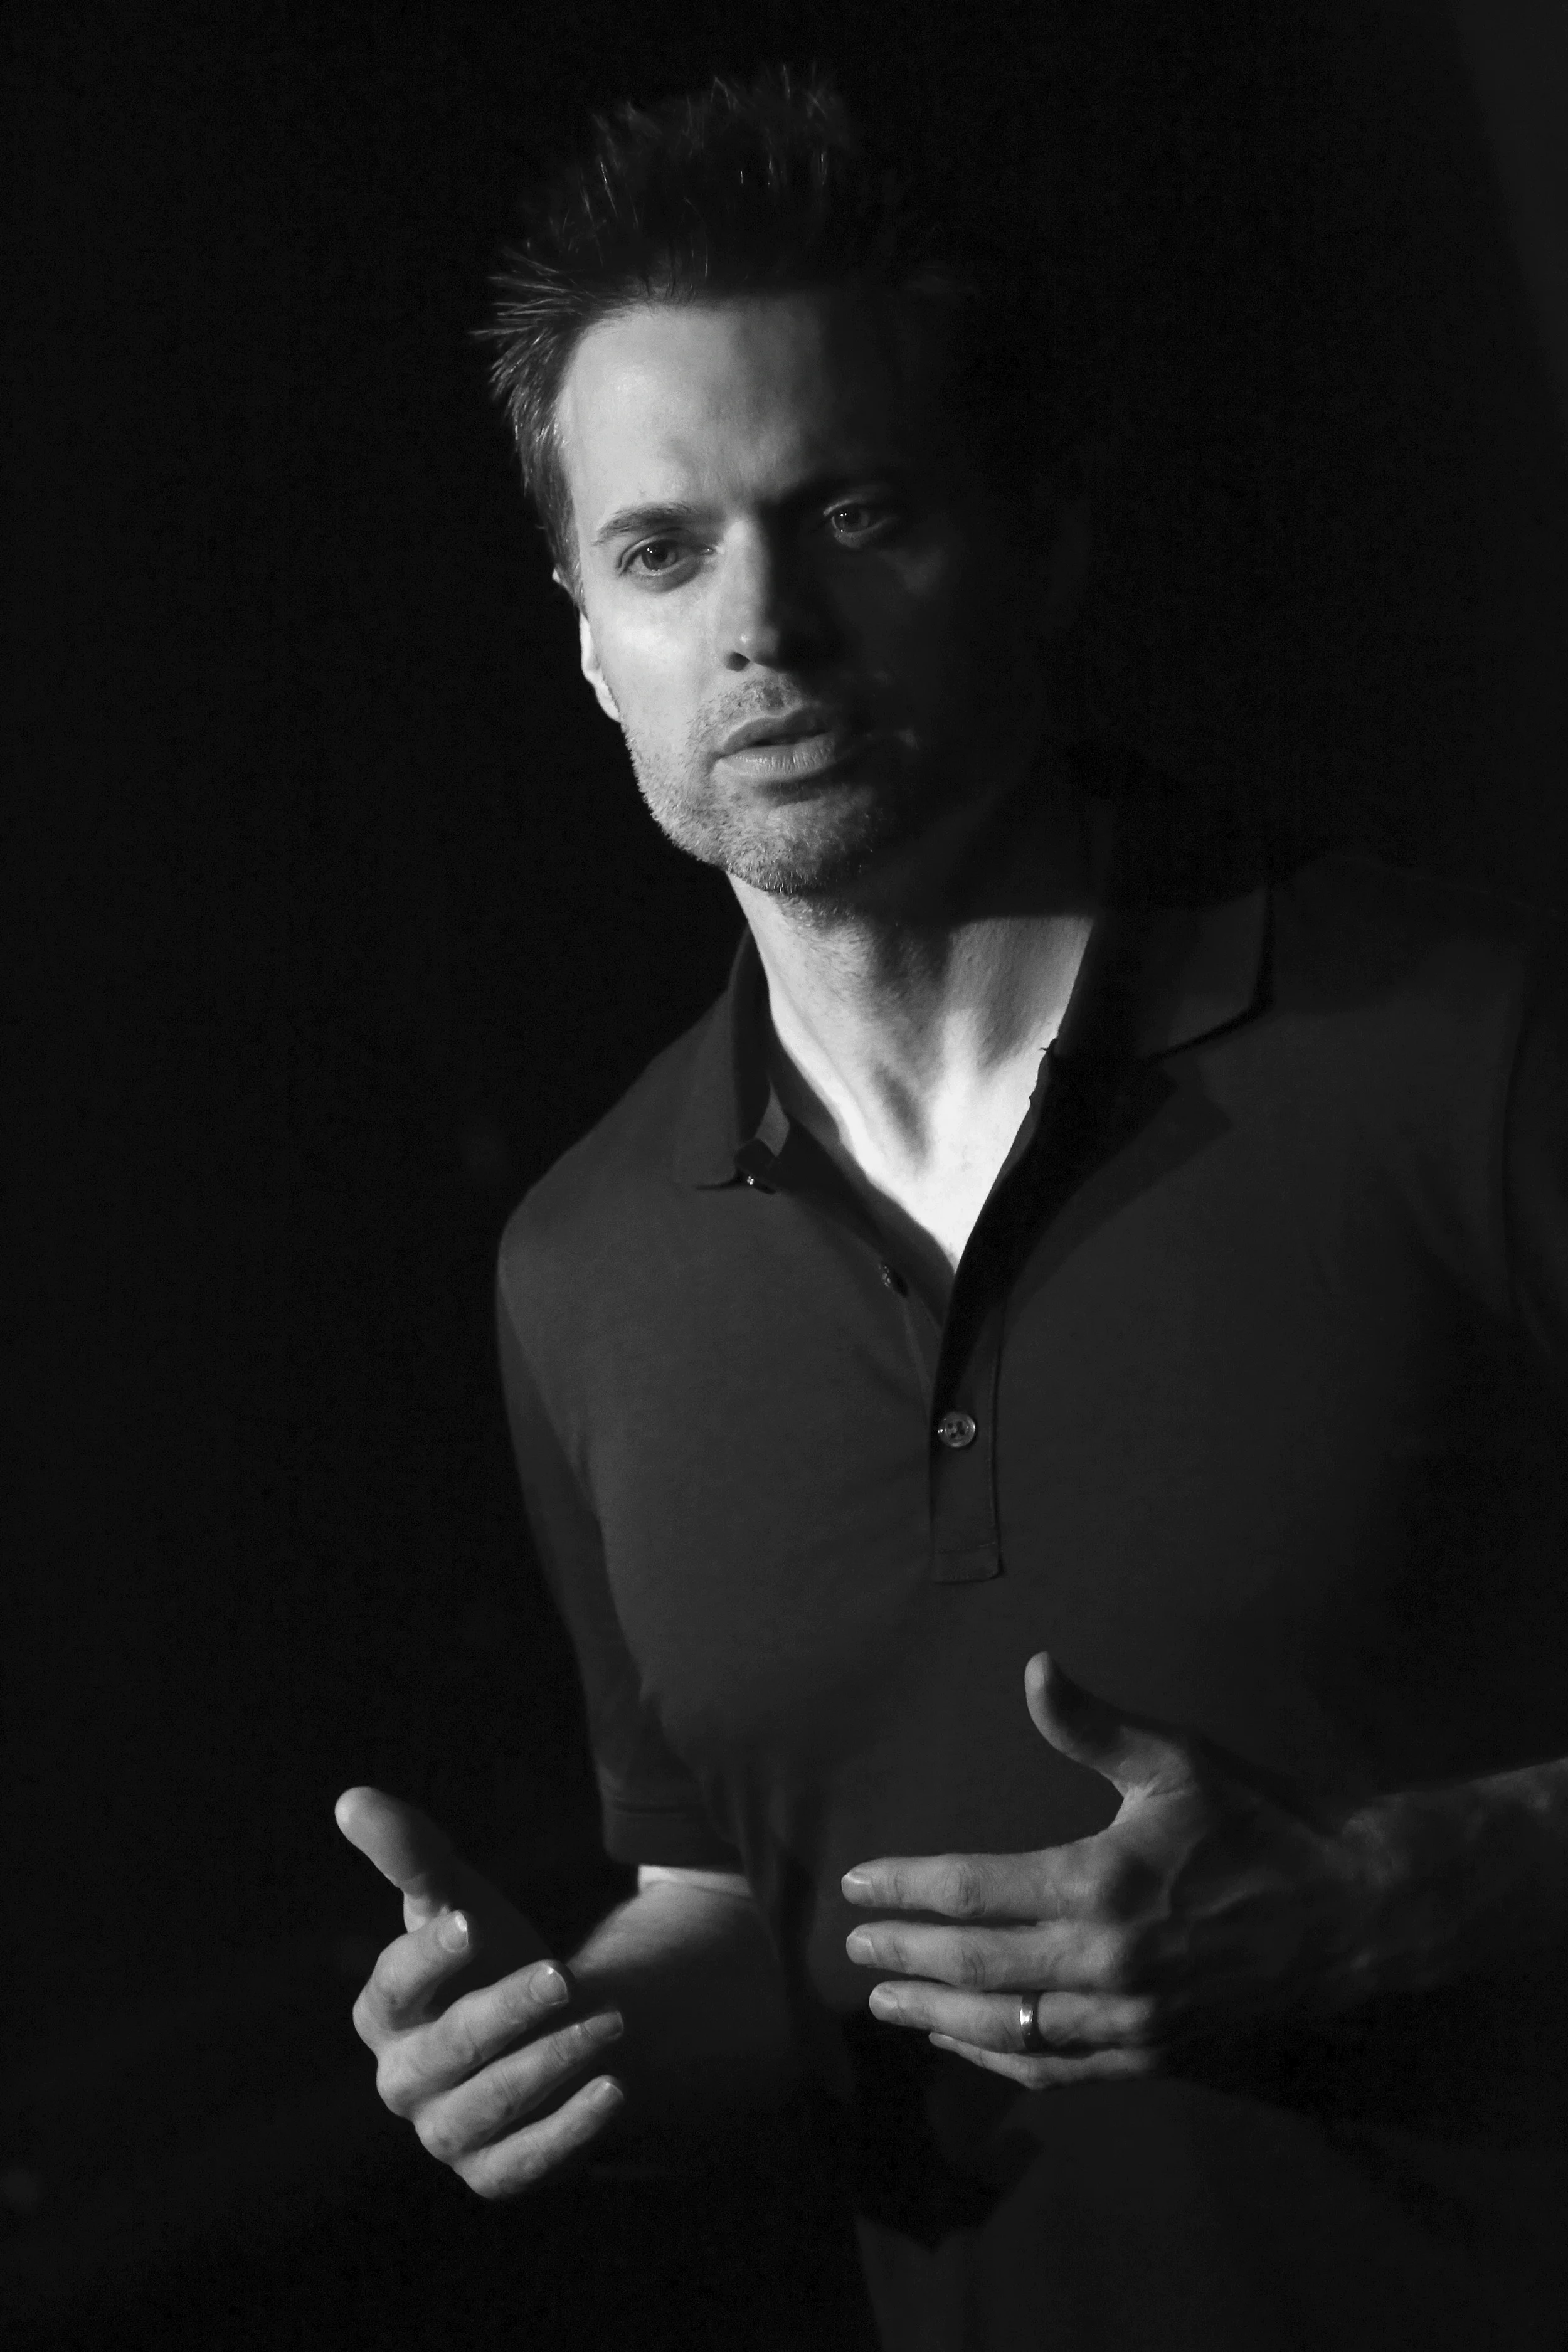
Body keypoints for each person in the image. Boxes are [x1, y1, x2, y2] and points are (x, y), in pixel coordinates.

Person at [336, 66, 1568, 2349]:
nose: (761, 627)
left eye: (858, 510)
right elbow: (736, 1899)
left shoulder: (1453, 1052)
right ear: (584, 635)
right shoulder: (583, 1265)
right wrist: (566, 2028)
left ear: (1038, 537)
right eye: (661, 551)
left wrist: (1403, 1893)